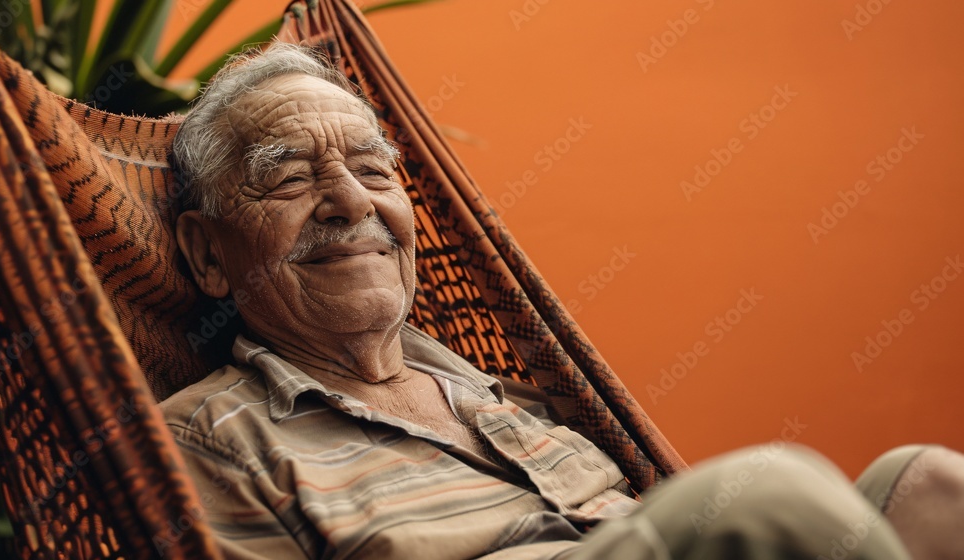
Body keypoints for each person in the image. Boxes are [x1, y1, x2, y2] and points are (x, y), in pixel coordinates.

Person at [160, 42, 964, 559]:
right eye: (290, 176)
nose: (351, 201)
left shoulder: (495, 387)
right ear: (207, 252)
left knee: (926, 486)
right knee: (771, 497)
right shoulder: (213, 438)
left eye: (374, 171)